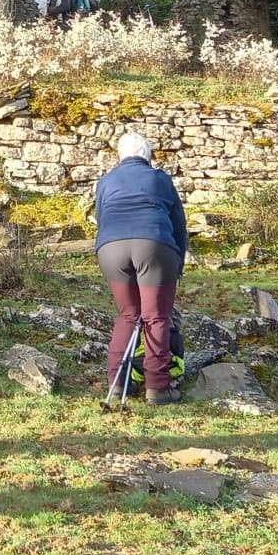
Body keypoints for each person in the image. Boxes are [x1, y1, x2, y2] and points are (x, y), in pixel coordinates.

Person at [92, 132, 188, 405]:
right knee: (156, 317)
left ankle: (118, 381)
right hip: (154, 245)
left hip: (111, 249)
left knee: (128, 315)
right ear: (148, 156)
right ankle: (157, 387)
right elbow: (179, 225)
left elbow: (102, 218)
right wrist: (178, 262)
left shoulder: (106, 180)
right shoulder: (160, 179)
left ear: (120, 156)